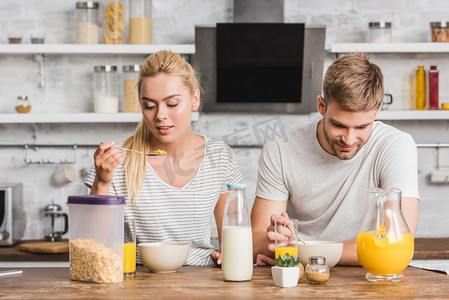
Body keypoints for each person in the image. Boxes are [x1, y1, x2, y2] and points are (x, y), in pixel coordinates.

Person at [251, 53, 420, 265]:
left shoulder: (395, 145)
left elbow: (397, 240)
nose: (349, 139)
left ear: (377, 112)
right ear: (322, 106)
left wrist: (301, 252)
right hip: (299, 277)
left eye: (361, 127)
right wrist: (274, 238)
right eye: (339, 125)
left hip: (364, 276)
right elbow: (256, 239)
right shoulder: (280, 149)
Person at [85, 50, 243, 266]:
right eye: (149, 106)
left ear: (194, 99)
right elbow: (94, 245)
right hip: (136, 282)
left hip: (202, 282)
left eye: (172, 104)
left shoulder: (219, 156)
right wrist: (102, 183)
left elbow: (234, 237)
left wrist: (230, 255)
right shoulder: (116, 161)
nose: (160, 115)